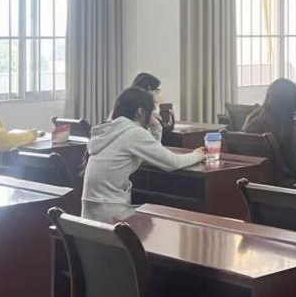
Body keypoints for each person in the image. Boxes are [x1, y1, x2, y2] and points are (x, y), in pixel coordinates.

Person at [82, 87, 205, 220]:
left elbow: (152, 153)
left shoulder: (111, 129)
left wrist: (156, 127)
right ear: (141, 112)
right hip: (112, 215)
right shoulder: (133, 132)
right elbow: (172, 163)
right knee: (166, 216)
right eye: (151, 111)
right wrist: (198, 154)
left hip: (91, 215)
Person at [243, 78, 296, 186]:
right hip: (287, 190)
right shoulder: (287, 129)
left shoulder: (252, 123)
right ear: (292, 102)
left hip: (256, 188)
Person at [130, 72, 165, 141]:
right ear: (149, 90)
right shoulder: (140, 115)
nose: (159, 95)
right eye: (157, 91)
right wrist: (156, 126)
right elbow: (152, 146)